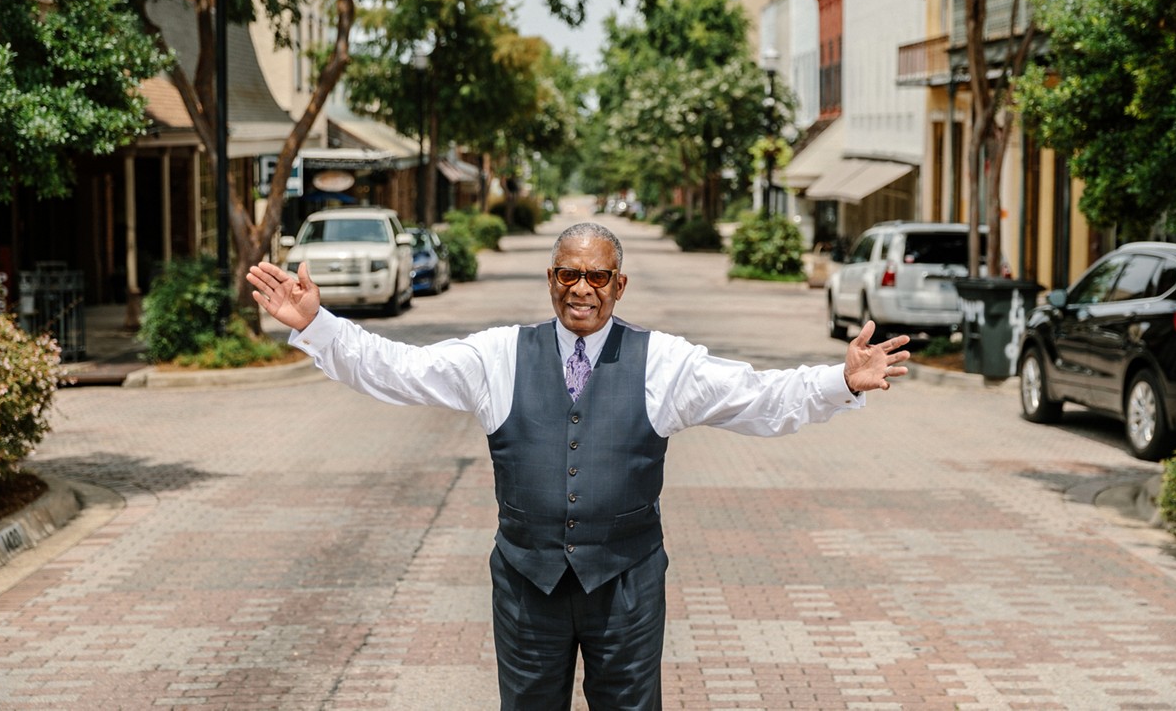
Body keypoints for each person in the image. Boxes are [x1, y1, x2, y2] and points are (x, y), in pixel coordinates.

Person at [246, 221, 910, 711]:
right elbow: (398, 370)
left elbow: (760, 398)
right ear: (551, 281)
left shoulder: (665, 362)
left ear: (619, 284)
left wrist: (839, 382)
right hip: (526, 584)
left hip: (626, 585)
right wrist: (318, 325)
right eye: (569, 274)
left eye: (597, 276)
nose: (582, 288)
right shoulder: (498, 355)